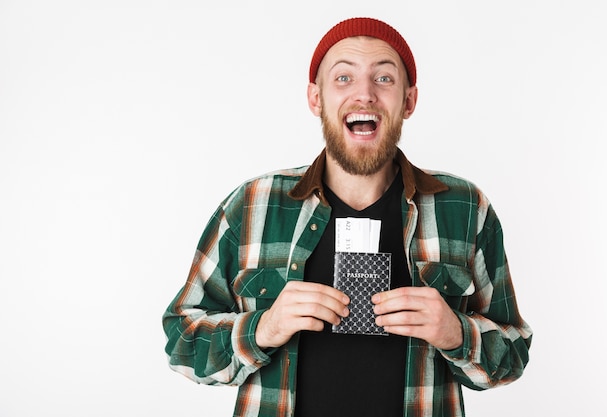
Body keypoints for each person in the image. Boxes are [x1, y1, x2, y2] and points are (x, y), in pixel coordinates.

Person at [162, 16, 532, 417]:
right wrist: (263, 328)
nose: (365, 94)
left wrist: (457, 333)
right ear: (315, 98)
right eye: (343, 78)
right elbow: (182, 342)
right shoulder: (253, 204)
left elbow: (513, 354)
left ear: (409, 101)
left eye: (384, 79)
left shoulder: (464, 208)